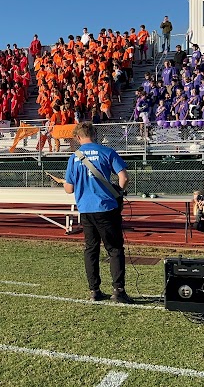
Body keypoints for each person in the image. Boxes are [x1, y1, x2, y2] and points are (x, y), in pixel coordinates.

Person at [63, 122, 131, 304]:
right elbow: (124, 177)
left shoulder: (73, 158)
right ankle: (119, 290)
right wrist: (119, 192)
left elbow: (69, 189)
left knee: (91, 249)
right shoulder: (107, 152)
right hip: (106, 208)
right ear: (94, 134)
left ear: (77, 137)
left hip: (85, 209)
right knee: (115, 249)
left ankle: (94, 290)